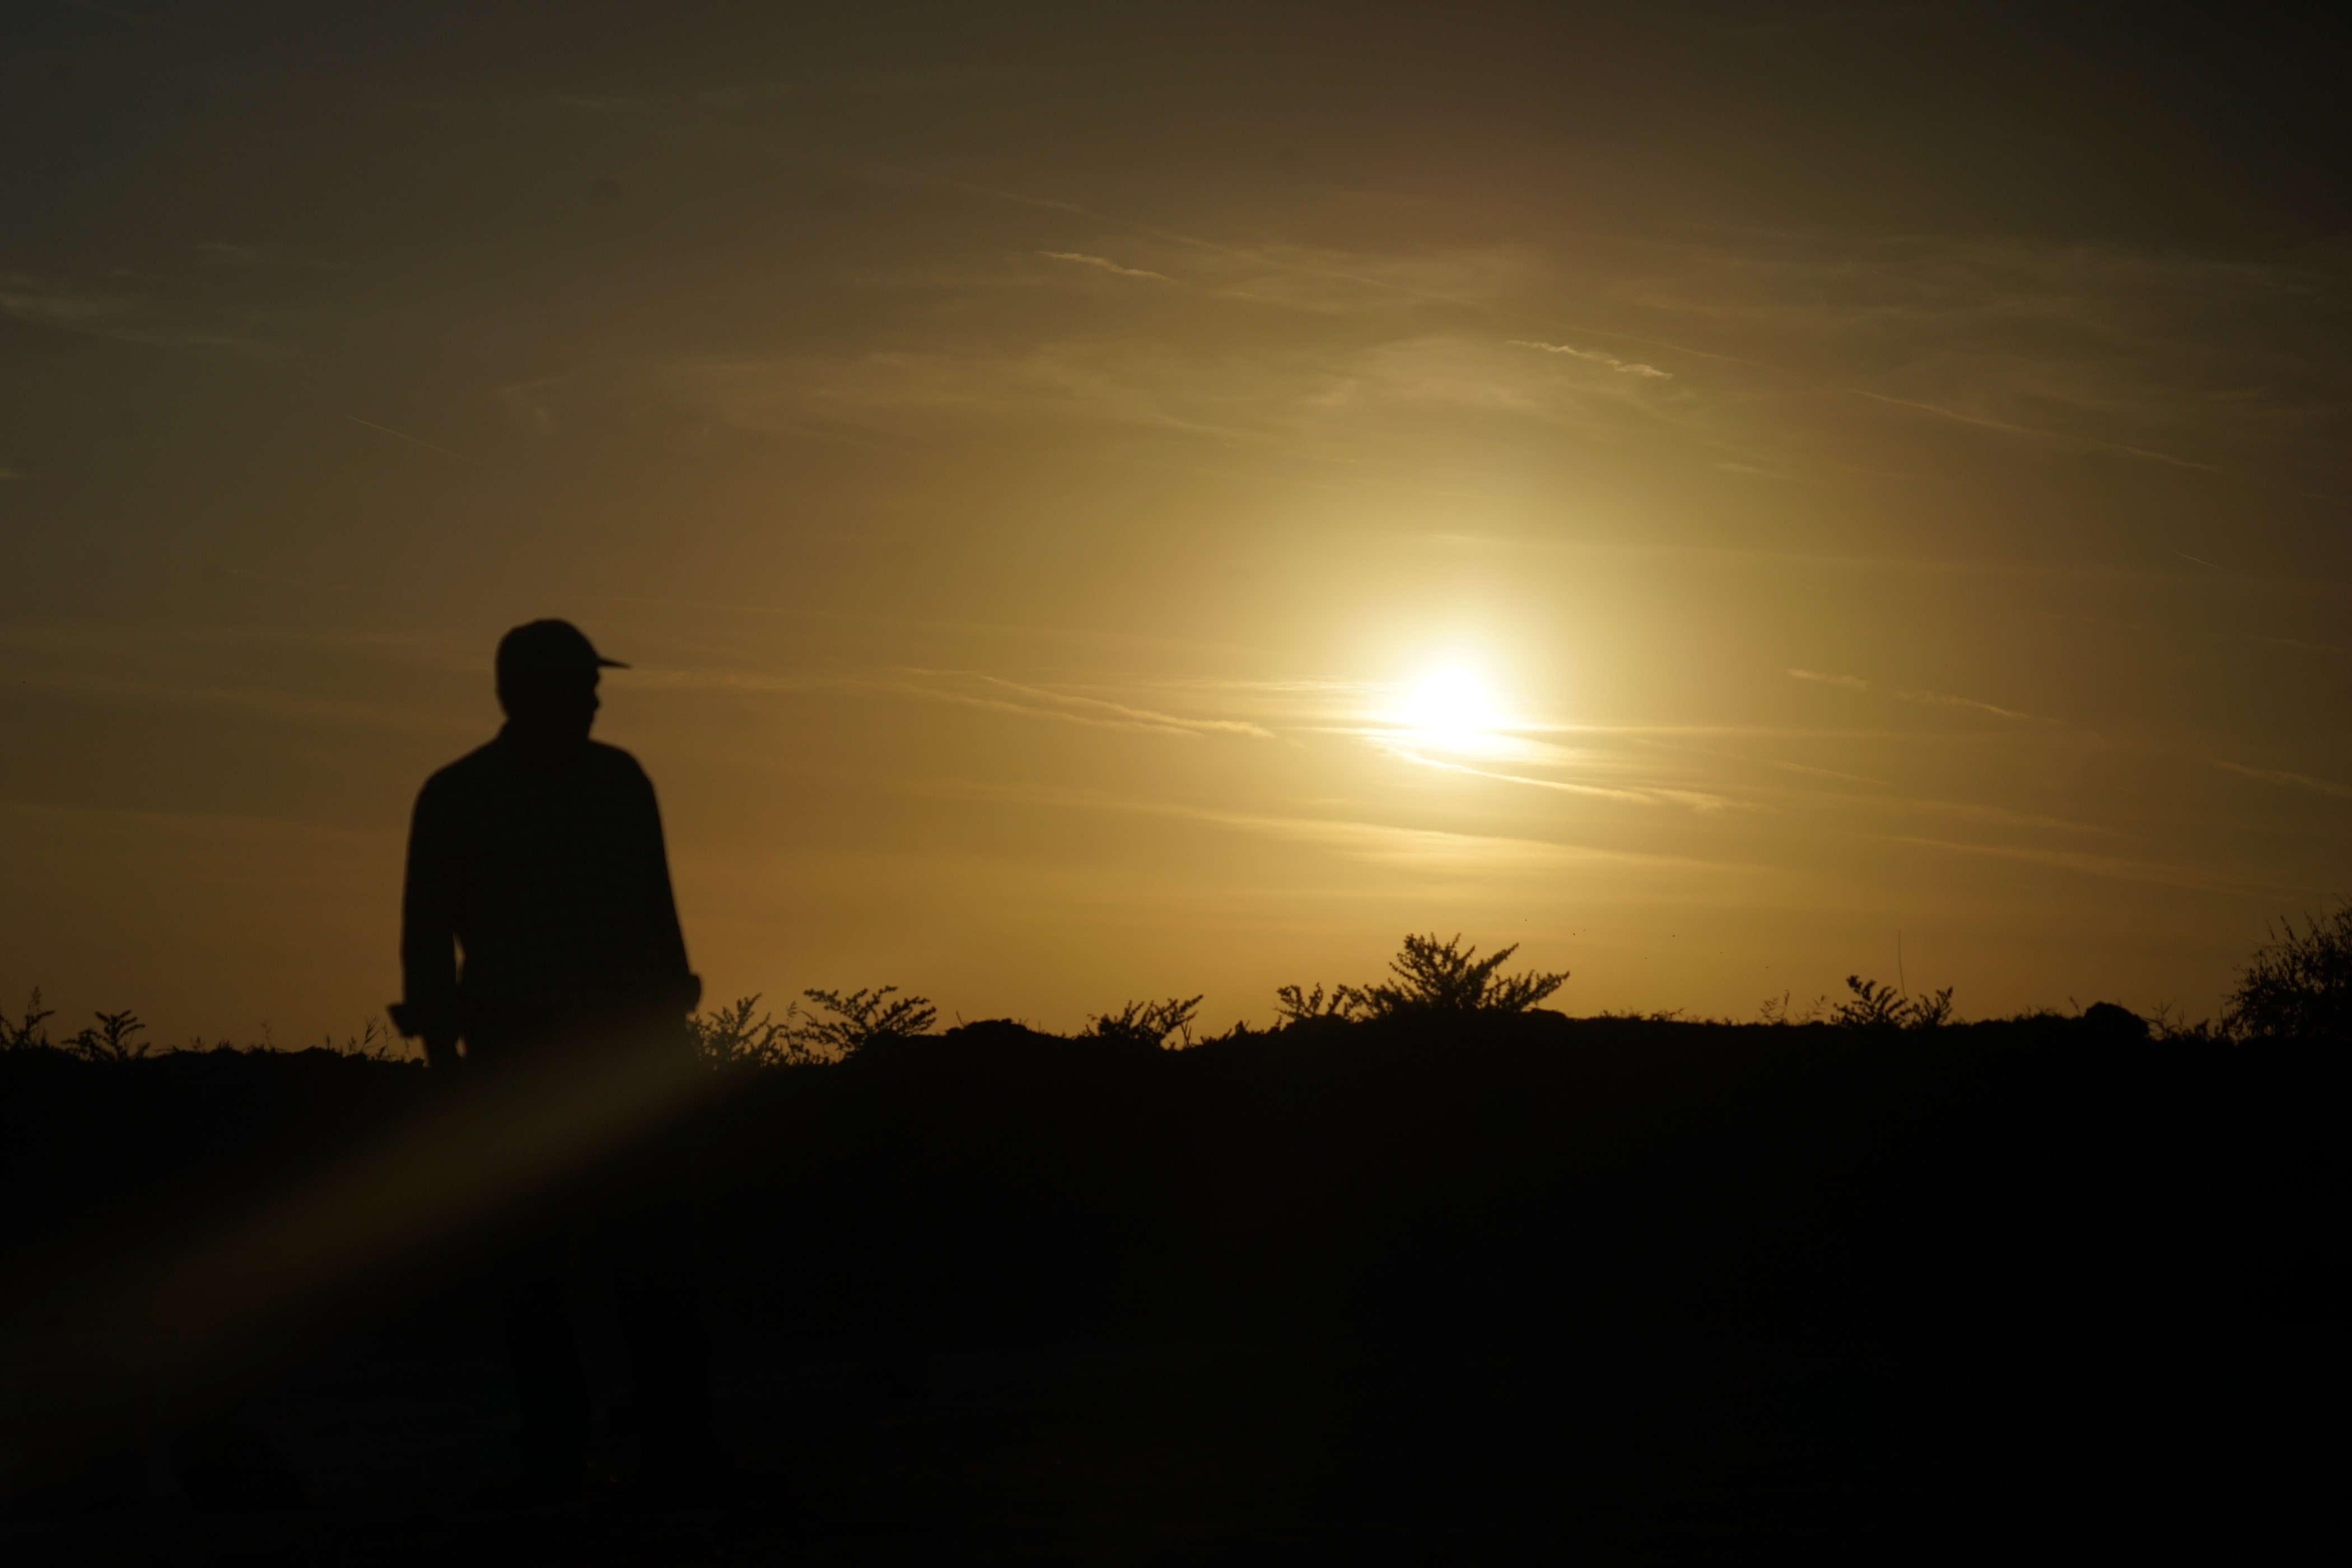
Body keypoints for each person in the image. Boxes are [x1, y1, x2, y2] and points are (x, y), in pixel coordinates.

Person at [391, 619, 716, 1496]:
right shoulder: (457, 796)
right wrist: (444, 1060)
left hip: (623, 1047)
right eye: (580, 682)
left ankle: (674, 1446)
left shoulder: (622, 782)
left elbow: (658, 910)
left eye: (592, 683)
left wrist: (671, 1033)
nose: (596, 696)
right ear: (524, 693)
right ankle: (556, 1445)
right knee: (536, 1265)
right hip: (519, 1050)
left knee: (656, 1257)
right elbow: (427, 934)